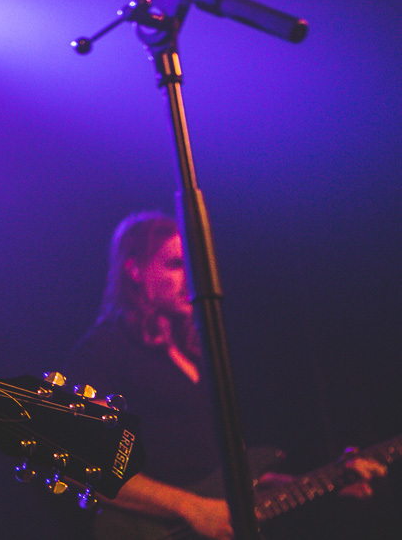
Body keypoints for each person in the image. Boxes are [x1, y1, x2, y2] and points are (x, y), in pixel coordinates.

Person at [64, 212, 387, 540]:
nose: (191, 277)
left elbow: (231, 482)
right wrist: (191, 508)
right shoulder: (105, 349)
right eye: (175, 264)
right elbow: (79, 459)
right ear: (134, 270)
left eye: (192, 264)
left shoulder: (196, 354)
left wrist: (327, 482)